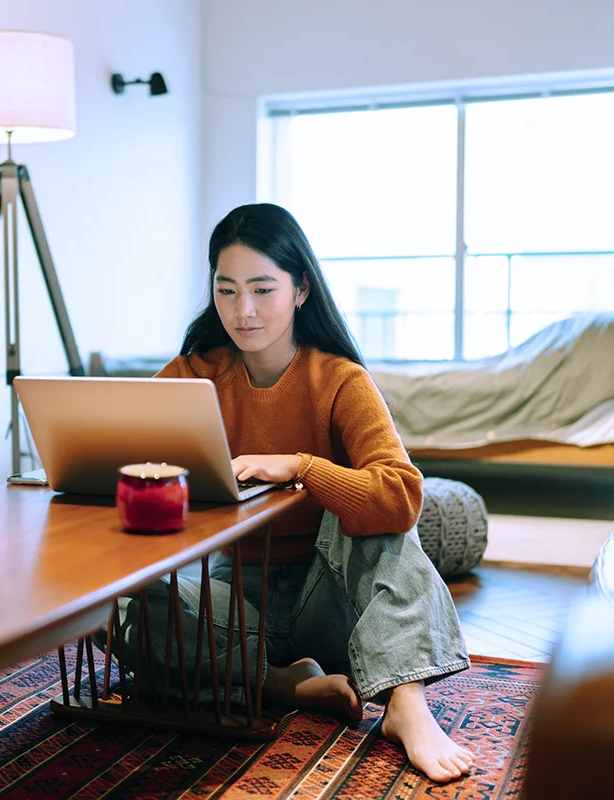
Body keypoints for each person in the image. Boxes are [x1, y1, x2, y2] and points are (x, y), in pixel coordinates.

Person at [123, 202, 474, 783]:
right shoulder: (191, 374)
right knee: (117, 610)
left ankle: (406, 703)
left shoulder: (338, 379)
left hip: (329, 599)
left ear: (301, 290)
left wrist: (303, 467)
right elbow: (128, 455)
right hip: (232, 600)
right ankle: (277, 681)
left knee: (368, 510)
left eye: (263, 289)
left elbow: (403, 497)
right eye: (227, 290)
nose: (245, 310)